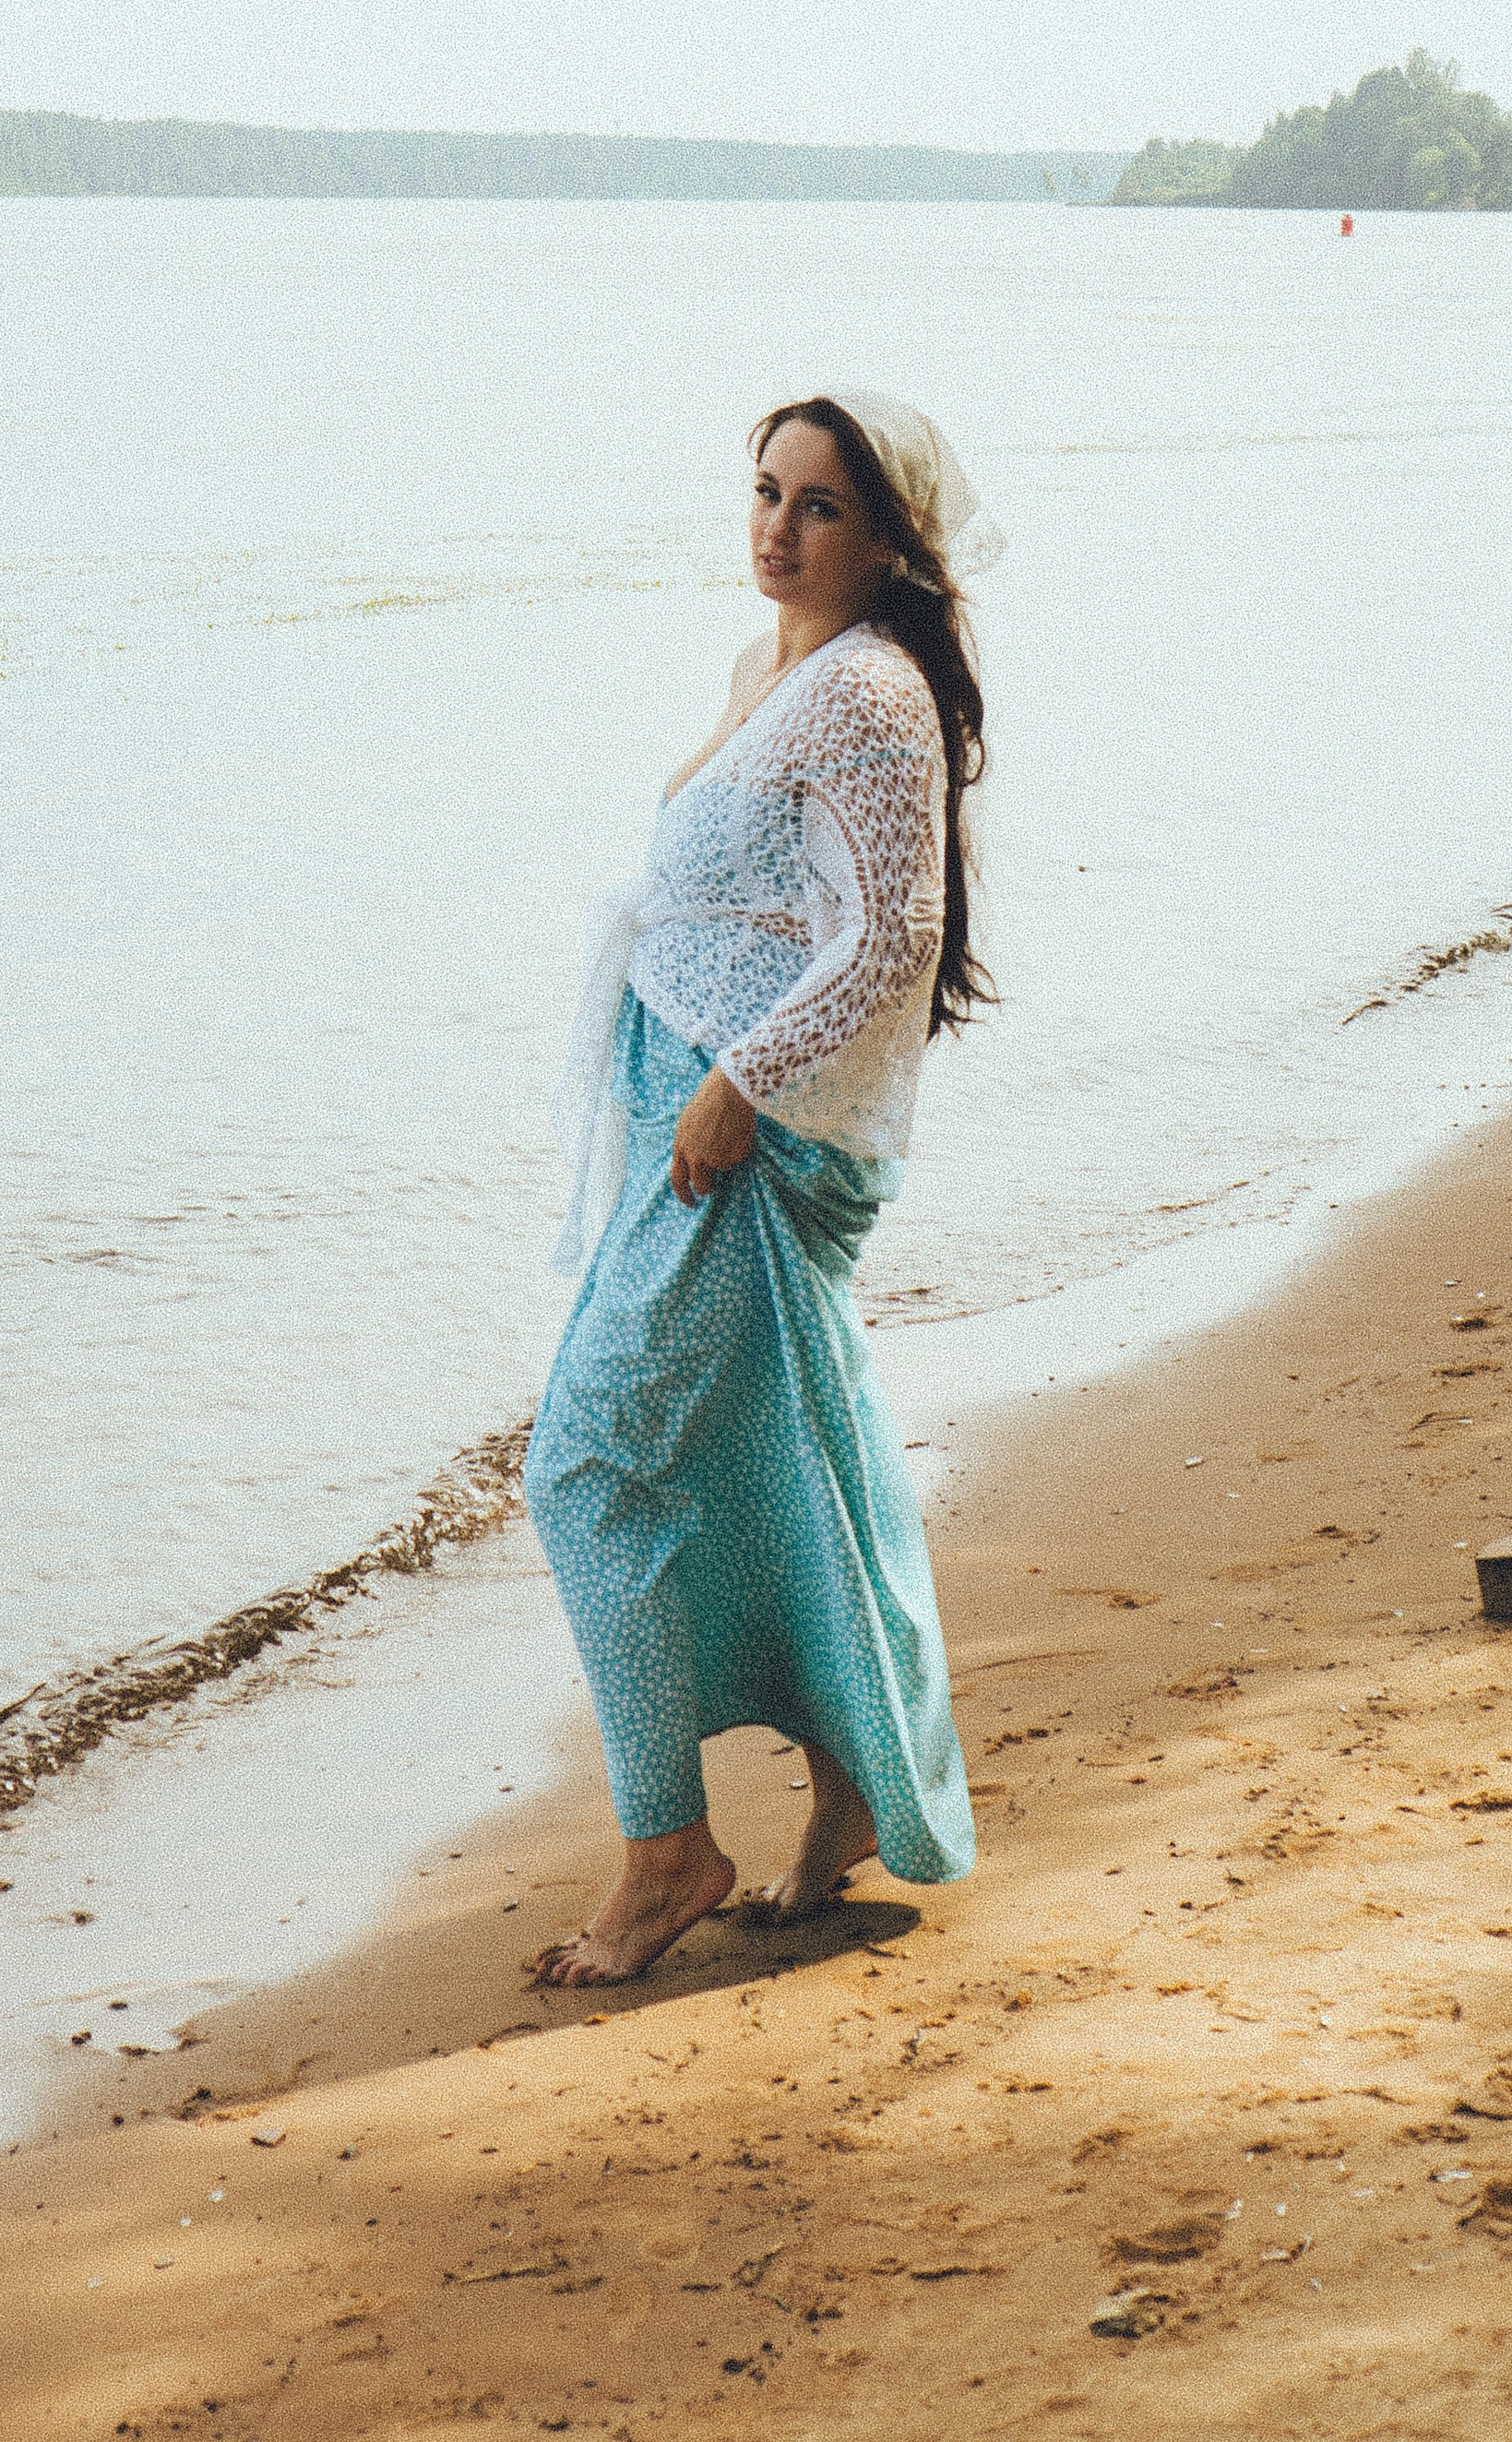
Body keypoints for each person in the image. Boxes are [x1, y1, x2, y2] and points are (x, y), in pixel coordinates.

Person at [526, 390, 995, 1988]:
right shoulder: (774, 666)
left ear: (888, 541)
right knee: (781, 1461)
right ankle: (859, 1784)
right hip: (691, 1099)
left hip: (748, 1127)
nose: (776, 530)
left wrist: (743, 1084)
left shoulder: (870, 691)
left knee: (586, 1458)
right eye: (765, 492)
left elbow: (897, 939)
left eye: (819, 509)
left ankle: (667, 1850)